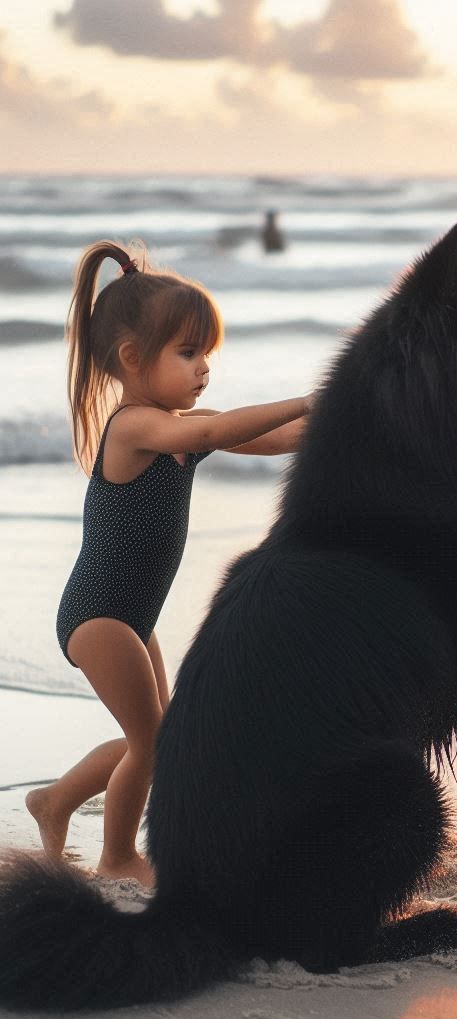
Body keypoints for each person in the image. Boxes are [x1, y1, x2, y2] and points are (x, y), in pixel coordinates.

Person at [26, 241, 310, 886]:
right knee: (153, 742)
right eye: (188, 353)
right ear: (132, 359)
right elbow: (215, 432)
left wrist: (342, 419)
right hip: (99, 615)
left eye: (206, 353)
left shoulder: (177, 426)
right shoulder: (134, 426)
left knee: (158, 735)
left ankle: (55, 801)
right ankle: (119, 857)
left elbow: (263, 438)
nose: (204, 368)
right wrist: (308, 397)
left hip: (131, 612)